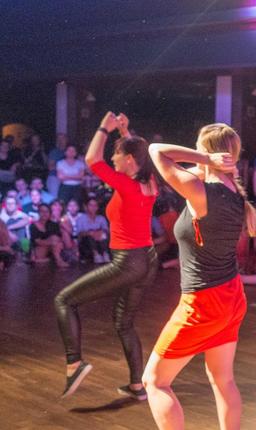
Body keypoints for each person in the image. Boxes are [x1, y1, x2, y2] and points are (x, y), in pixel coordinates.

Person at [143, 123, 256, 430]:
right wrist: (208, 162)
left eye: (197, 148)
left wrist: (206, 159)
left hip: (203, 303)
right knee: (223, 379)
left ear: (207, 152)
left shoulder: (200, 191)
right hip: (231, 297)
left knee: (154, 381)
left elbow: (156, 151)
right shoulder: (233, 192)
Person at [54, 112, 158, 399]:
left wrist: (104, 128)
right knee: (124, 323)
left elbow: (92, 159)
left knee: (64, 300)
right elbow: (140, 156)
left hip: (128, 262)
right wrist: (124, 132)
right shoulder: (149, 183)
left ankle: (74, 363)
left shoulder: (125, 184)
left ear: (128, 160)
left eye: (117, 154)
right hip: (148, 260)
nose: (112, 158)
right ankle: (137, 386)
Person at [76, 198, 110, 264]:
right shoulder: (81, 219)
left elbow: (106, 230)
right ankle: (96, 255)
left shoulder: (101, 218)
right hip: (86, 244)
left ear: (97, 207)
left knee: (103, 235)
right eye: (91, 205)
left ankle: (105, 254)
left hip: (100, 241)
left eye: (95, 205)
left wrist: (100, 232)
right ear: (86, 207)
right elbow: (79, 234)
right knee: (89, 236)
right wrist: (90, 233)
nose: (93, 208)